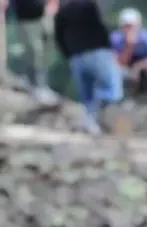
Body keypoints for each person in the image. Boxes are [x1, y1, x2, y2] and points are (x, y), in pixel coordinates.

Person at [53, 0, 124, 133]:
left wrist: (68, 55)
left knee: (87, 95)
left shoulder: (62, 11)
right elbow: (101, 26)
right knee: (111, 88)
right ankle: (107, 117)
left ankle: (90, 122)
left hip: (76, 57)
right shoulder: (89, 5)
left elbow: (58, 37)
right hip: (98, 51)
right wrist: (109, 47)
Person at [111, 8, 147, 107]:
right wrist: (129, 46)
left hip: (144, 69)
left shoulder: (146, 37)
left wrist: (138, 67)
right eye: (126, 26)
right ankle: (128, 99)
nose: (129, 29)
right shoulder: (116, 38)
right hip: (127, 71)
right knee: (119, 72)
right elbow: (118, 62)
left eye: (131, 26)